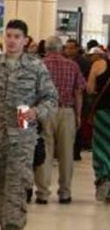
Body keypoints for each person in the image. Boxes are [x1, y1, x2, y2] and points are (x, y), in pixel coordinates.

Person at [0, 20, 58, 230]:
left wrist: (36, 112)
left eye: (17, 37)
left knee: (16, 187)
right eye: (9, 36)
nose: (12, 40)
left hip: (21, 140)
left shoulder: (36, 67)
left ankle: (13, 226)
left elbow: (51, 99)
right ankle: (4, 224)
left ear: (25, 40)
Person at [34, 36, 85, 205]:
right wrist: (78, 115)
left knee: (45, 151)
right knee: (66, 153)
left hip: (45, 111)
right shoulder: (72, 65)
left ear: (45, 49)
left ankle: (42, 193)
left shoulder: (39, 65)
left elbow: (33, 92)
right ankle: (65, 193)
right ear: (61, 48)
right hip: (66, 110)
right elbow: (78, 92)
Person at [85, 46, 110, 202]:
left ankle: (103, 178)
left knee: (101, 147)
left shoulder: (98, 64)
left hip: (103, 113)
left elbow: (89, 89)